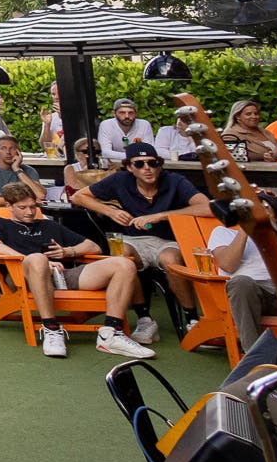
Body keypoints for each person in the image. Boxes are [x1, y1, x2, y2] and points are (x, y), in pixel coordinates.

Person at [0, 180, 156, 361]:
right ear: (8, 206)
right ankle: (51, 328)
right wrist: (30, 259)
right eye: (22, 207)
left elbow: (93, 246)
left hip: (61, 276)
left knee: (124, 264)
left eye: (33, 206)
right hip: (21, 276)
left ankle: (111, 334)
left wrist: (67, 251)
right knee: (38, 259)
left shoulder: (48, 226)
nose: (29, 212)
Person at [69, 142, 204, 335]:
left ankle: (191, 318)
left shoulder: (174, 181)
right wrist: (110, 212)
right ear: (130, 167)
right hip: (133, 239)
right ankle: (144, 318)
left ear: (160, 164)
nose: (147, 168)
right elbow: (78, 197)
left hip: (168, 241)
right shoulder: (120, 180)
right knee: (122, 257)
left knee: (170, 260)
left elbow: (206, 207)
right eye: (139, 164)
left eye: (152, 163)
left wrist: (162, 215)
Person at [205, 216, 277, 340]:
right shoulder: (223, 233)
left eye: (265, 209)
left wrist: (271, 236)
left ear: (276, 217)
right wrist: (245, 230)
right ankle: (254, 355)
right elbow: (228, 265)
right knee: (241, 282)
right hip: (246, 292)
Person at [0, 132, 47, 207]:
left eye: (12, 148)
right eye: (3, 148)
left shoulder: (29, 170)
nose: (8, 152)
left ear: (18, 151)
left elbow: (40, 196)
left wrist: (17, 169)